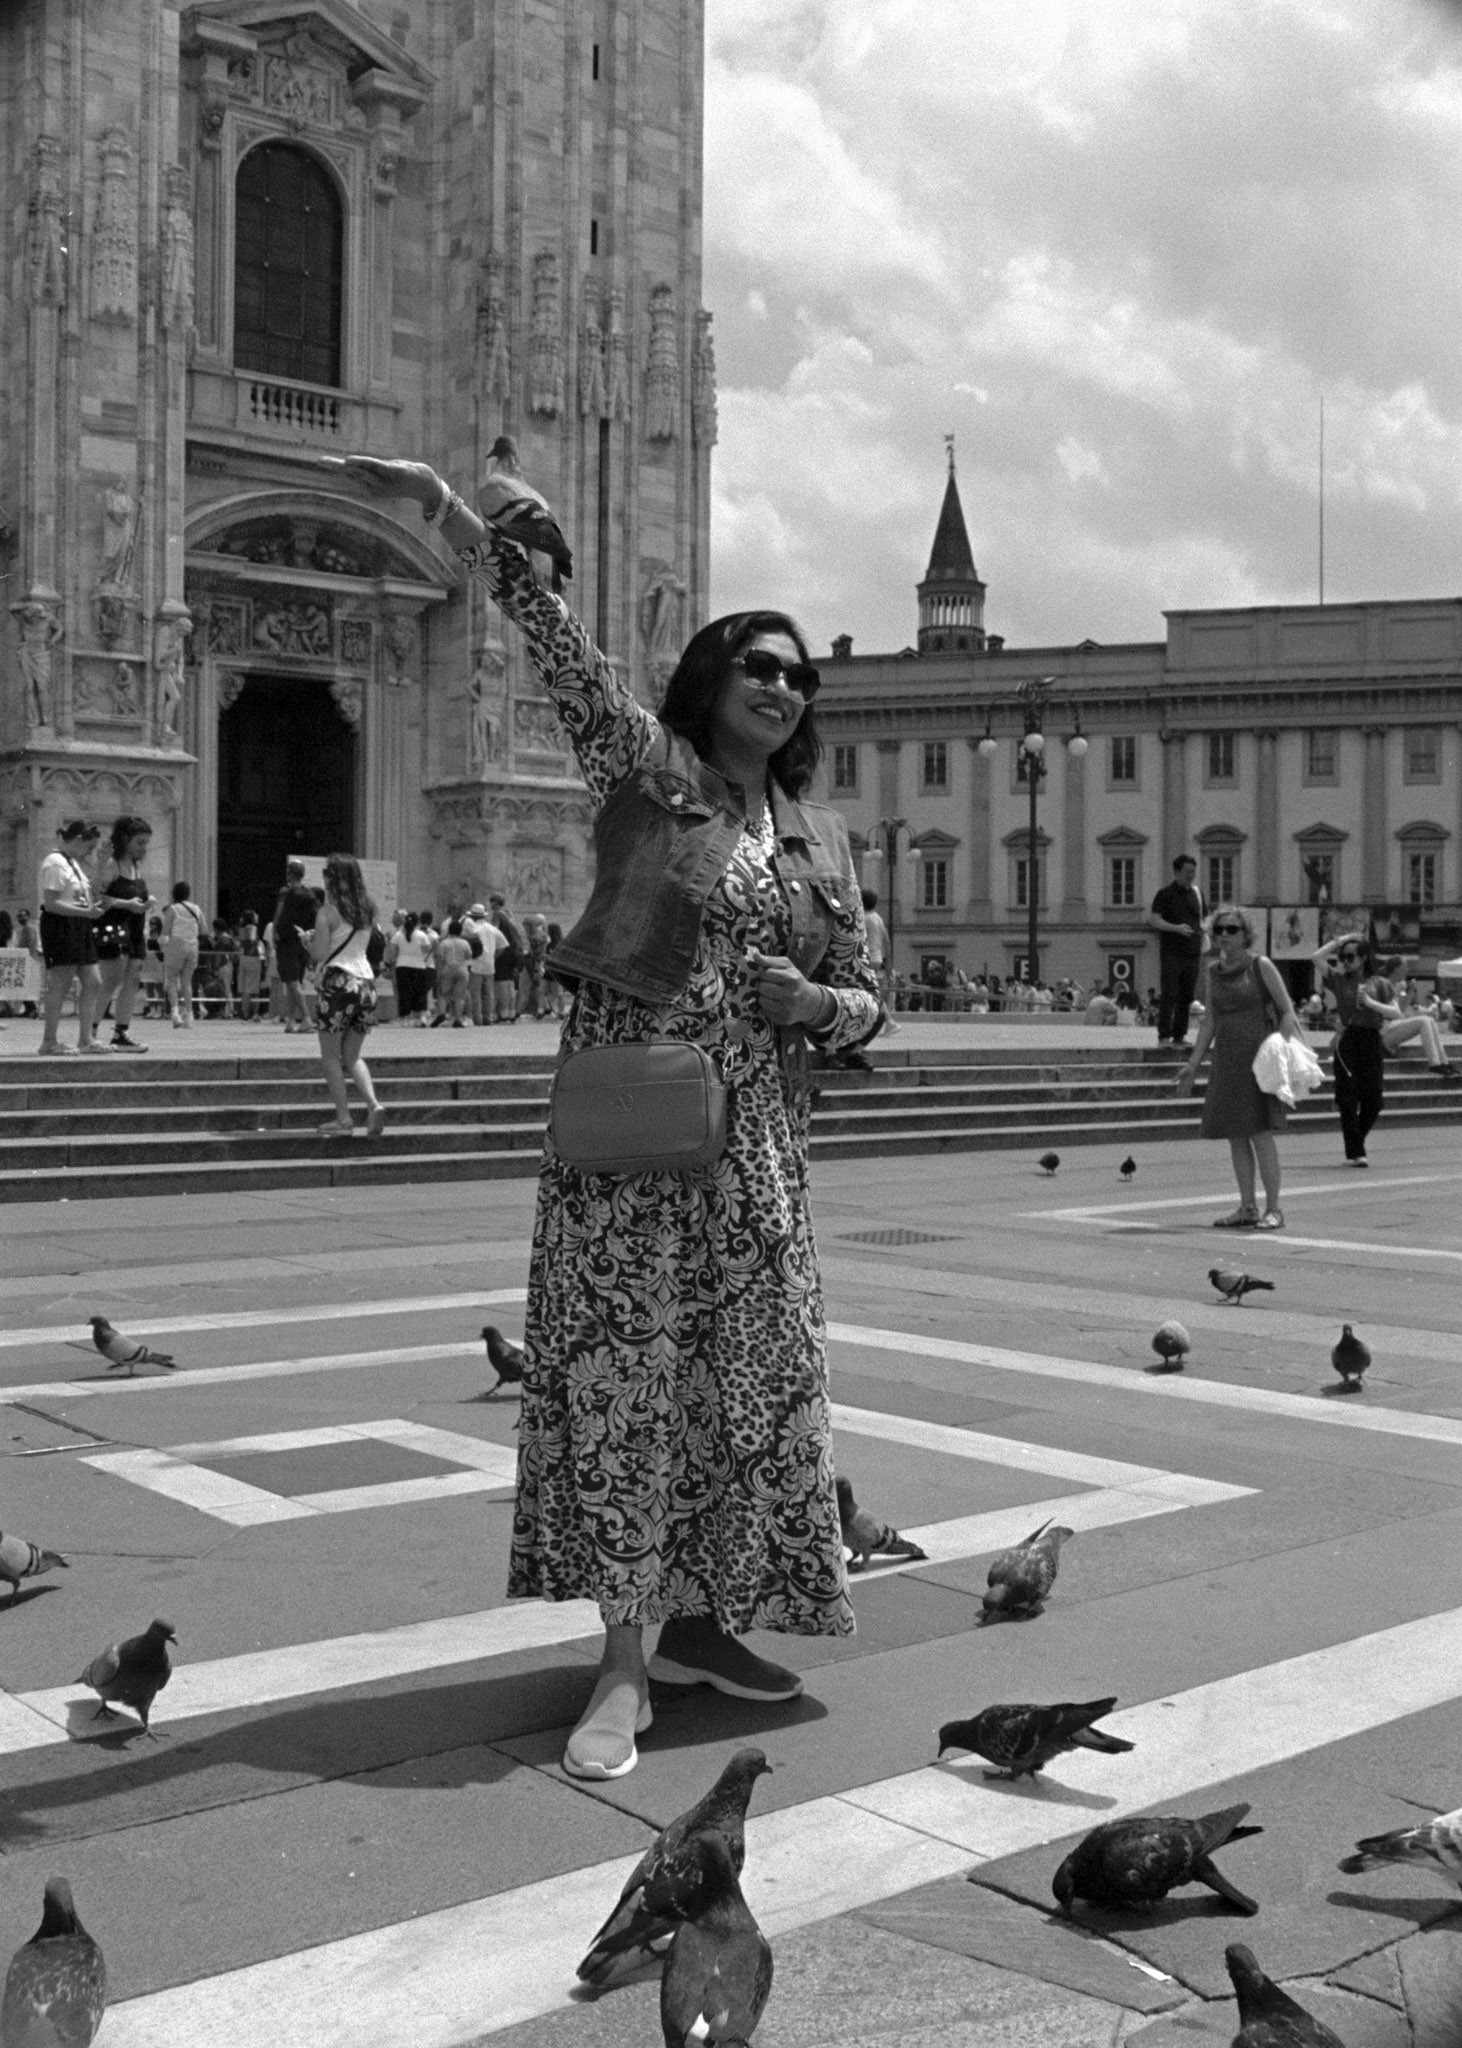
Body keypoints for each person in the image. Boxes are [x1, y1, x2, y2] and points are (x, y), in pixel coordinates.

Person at [343, 450, 880, 1782]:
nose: (778, 685)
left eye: (796, 672)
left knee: (739, 1390)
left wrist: (819, 1004)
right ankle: (624, 1661)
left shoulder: (816, 838)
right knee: (628, 1382)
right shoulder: (655, 774)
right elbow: (562, 647)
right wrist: (457, 519)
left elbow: (870, 1001)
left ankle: (700, 1623)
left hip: (756, 1152)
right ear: (708, 683)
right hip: (636, 1133)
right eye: (755, 664)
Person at [1177, 904, 1301, 1229]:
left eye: (1232, 929)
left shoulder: (1261, 966)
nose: (1224, 936)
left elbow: (1287, 1011)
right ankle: (1247, 1207)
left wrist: (1277, 1047)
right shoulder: (1213, 972)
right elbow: (1210, 1022)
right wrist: (1193, 1064)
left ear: (1246, 934)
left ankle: (1274, 1208)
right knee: (1235, 1135)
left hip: (1259, 1060)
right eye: (1219, 930)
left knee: (1260, 1134)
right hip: (1228, 1060)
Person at [307, 852, 386, 1137]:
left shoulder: (327, 912)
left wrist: (309, 942)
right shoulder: (367, 910)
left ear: (332, 878)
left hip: (339, 983)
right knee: (352, 1056)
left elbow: (319, 953)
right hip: (365, 985)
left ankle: (344, 1118)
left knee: (330, 1056)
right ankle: (373, 1104)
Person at [1314, 930, 1392, 1166]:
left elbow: (1396, 1012)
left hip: (1370, 1038)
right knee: (1347, 1097)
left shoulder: (1379, 983)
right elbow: (1316, 957)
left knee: (1374, 1101)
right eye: (1343, 957)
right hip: (1348, 1038)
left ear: (1363, 958)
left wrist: (1370, 1003)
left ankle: (1355, 1141)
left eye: (1350, 957)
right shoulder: (1339, 979)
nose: (1345, 962)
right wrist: (1343, 938)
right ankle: (1357, 1151)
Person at [37, 818, 108, 1055]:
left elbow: (87, 892)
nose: (90, 852)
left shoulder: (74, 864)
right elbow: (51, 903)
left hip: (80, 924)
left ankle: (86, 1039)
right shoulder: (55, 863)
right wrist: (86, 911)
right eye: (89, 847)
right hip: (61, 926)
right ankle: (49, 1041)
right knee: (61, 982)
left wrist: (101, 865)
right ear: (78, 839)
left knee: (93, 980)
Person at [94, 815, 155, 1052]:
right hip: (114, 928)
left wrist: (146, 901)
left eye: (145, 843)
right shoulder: (112, 865)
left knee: (133, 979)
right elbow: (97, 897)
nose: (143, 848)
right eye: (140, 842)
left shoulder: (136, 867)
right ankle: (91, 1031)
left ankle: (121, 1032)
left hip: (136, 929)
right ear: (126, 840)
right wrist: (126, 904)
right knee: (110, 980)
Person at [1148, 854, 1207, 1046]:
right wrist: (1176, 928)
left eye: (1193, 872)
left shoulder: (1197, 894)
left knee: (1187, 995)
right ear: (1177, 872)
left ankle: (1179, 1035)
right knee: (1169, 993)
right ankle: (1164, 1036)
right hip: (1172, 952)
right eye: (1187, 872)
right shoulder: (1165, 894)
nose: (1191, 876)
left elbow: (1203, 919)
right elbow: (1154, 920)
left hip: (1193, 952)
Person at [1379, 963, 1462, 1079]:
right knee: (1423, 1021)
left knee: (1430, 1020)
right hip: (1384, 1035)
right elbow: (1387, 1013)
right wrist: (1396, 992)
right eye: (1403, 969)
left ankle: (1444, 1062)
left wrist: (1410, 991)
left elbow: (1400, 1011)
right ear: (1395, 971)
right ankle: (1435, 1064)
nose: (1406, 972)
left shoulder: (1395, 987)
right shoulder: (1381, 987)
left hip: (1393, 1028)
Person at [272, 858, 318, 1033]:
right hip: (302, 941)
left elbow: (278, 913)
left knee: (291, 983)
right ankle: (291, 1021)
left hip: (287, 941)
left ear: (290, 873)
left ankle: (306, 1019)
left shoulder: (286, 892)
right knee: (296, 982)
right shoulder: (309, 894)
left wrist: (274, 933)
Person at [161, 881, 205, 1027]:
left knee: (172, 980)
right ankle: (190, 1016)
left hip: (176, 945)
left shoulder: (173, 909)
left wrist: (163, 944)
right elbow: (204, 929)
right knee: (187, 982)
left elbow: (165, 931)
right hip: (193, 946)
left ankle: (175, 1013)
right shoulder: (196, 909)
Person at [388, 911, 435, 1025]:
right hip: (419, 966)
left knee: (404, 992)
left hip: (402, 966)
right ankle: (422, 1017)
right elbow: (426, 949)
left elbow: (393, 952)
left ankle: (405, 1018)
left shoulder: (398, 935)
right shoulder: (421, 934)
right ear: (417, 922)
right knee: (420, 992)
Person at [463, 901, 505, 1024]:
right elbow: (502, 946)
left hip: (475, 964)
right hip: (490, 964)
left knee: (475, 993)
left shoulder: (472, 929)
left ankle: (477, 1018)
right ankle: (489, 1017)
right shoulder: (492, 929)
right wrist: (494, 956)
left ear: (473, 916)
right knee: (488, 993)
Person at [488, 891, 525, 1022]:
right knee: (510, 983)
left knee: (501, 983)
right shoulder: (509, 915)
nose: (490, 904)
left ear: (496, 902)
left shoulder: (497, 915)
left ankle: (503, 1013)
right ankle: (511, 1011)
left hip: (503, 952)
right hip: (513, 953)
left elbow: (494, 932)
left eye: (492, 901)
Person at [435, 918, 473, 1026]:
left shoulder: (444, 943)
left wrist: (439, 972)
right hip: (462, 970)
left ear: (449, 931)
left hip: (448, 969)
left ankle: (442, 1013)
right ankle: (457, 1019)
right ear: (460, 931)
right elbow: (469, 956)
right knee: (459, 997)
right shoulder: (465, 943)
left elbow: (440, 958)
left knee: (443, 994)